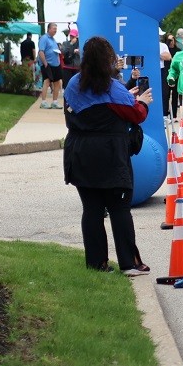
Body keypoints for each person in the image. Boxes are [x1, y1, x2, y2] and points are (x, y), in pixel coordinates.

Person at [63, 36, 151, 276]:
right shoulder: (112, 87)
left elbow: (89, 106)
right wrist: (141, 101)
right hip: (111, 156)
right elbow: (135, 114)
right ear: (108, 60)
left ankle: (97, 263)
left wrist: (126, 94)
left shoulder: (73, 84)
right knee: (120, 208)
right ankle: (129, 263)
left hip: (79, 153)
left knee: (91, 210)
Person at [38, 22, 63, 108]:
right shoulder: (44, 38)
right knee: (47, 81)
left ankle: (55, 102)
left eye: (56, 29)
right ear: (49, 29)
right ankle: (43, 102)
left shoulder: (53, 39)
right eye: (54, 28)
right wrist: (45, 63)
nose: (55, 30)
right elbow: (41, 51)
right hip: (47, 64)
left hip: (56, 64)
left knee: (57, 83)